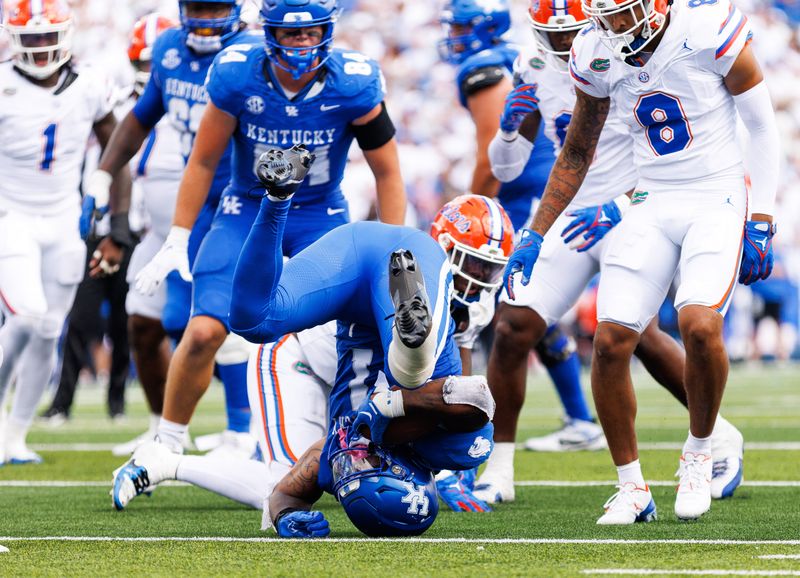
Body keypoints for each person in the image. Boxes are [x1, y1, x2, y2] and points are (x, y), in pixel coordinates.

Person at [504, 0, 778, 522]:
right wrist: (537, 232)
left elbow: (763, 128)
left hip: (715, 194)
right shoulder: (592, 48)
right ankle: (632, 487)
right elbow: (577, 152)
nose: (616, 26)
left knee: (699, 326)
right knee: (610, 342)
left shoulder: (706, 28)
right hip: (651, 199)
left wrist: (761, 217)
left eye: (626, 12)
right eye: (607, 15)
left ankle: (699, 454)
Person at [110, 0, 406, 479]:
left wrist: (394, 245)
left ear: (328, 32)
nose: (302, 43)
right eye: (291, 35)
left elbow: (387, 172)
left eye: (311, 33)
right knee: (205, 329)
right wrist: (179, 235)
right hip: (245, 207)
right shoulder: (237, 74)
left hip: (317, 212)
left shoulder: (353, 82)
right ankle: (163, 445)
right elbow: (203, 162)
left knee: (337, 335)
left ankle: (353, 442)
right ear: (267, 34)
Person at [112, 184, 511, 517]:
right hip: (297, 358)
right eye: (471, 266)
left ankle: (276, 446)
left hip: (363, 378)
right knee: (285, 482)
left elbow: (456, 383)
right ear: (441, 247)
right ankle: (166, 462)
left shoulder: (470, 303)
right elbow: (437, 394)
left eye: (488, 271)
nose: (476, 282)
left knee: (395, 428)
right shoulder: (406, 269)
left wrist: (452, 476)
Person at [439, 0, 603, 505]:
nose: (458, 35)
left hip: (535, 198)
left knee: (486, 309)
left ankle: (466, 441)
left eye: (465, 25)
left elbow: (495, 150)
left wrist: (471, 209)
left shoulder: (483, 66)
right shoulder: (527, 56)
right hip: (546, 190)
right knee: (522, 321)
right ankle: (575, 419)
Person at [84, 1, 261, 457]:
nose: (203, 19)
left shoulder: (250, 53)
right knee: (181, 319)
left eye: (214, 7)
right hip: (197, 203)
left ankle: (247, 429)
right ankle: (182, 433)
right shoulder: (168, 48)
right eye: (196, 8)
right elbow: (142, 115)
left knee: (229, 319)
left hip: (245, 198)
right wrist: (104, 173)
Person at [0, 0, 132, 464]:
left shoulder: (91, 85)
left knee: (49, 328)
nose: (39, 48)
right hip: (9, 217)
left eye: (45, 37)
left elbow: (119, 153)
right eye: (30, 38)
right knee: (29, 315)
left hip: (63, 220)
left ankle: (14, 436)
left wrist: (118, 227)